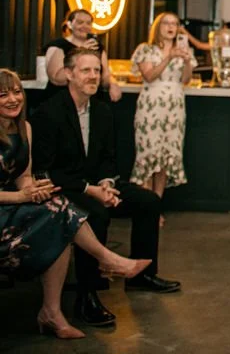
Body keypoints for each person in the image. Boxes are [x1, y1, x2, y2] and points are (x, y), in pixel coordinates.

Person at [32, 48, 180, 328]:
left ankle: (141, 276)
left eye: (97, 71)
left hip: (97, 185)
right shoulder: (48, 113)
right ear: (68, 74)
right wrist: (90, 190)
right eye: (85, 70)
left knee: (148, 201)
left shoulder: (102, 111)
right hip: (64, 188)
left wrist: (107, 183)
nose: (93, 76)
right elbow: (46, 170)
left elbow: (109, 158)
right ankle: (87, 297)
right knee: (95, 214)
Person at [0, 69, 150, 340]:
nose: (12, 99)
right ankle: (108, 261)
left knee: (60, 210)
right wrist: (21, 197)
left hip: (14, 204)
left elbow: (23, 175)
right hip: (4, 207)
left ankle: (51, 312)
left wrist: (32, 190)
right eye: (3, 94)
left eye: (16, 92)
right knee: (63, 214)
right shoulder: (51, 113)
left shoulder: (25, 129)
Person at [128, 12, 196, 198]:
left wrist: (188, 61)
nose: (171, 27)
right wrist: (169, 58)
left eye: (174, 23)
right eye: (166, 23)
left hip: (175, 106)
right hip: (151, 105)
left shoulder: (182, 49)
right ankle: (146, 207)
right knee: (149, 154)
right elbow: (149, 75)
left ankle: (156, 205)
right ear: (158, 26)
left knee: (166, 158)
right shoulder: (146, 49)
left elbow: (185, 80)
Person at [41, 9, 122, 104]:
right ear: (70, 24)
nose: (84, 26)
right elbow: (56, 79)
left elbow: (104, 76)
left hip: (91, 101)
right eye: (80, 22)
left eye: (88, 23)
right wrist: (80, 52)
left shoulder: (97, 47)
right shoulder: (58, 46)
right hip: (62, 101)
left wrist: (113, 83)